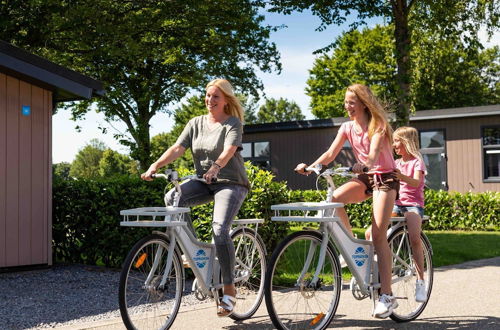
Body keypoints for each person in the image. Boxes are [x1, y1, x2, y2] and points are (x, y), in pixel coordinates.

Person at [141, 78, 249, 317]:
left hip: (230, 183)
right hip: (204, 182)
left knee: (220, 229)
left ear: (226, 101)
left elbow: (229, 150)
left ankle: (229, 291)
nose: (210, 100)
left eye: (216, 97)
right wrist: (155, 165)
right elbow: (178, 148)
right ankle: (194, 251)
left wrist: (216, 167)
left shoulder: (233, 124)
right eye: (208, 95)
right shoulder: (195, 123)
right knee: (172, 198)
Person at [295, 83, 400, 318]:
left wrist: (366, 163)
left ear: (363, 103)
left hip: (384, 178)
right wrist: (312, 167)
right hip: (364, 176)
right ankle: (353, 247)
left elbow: (373, 154)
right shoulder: (346, 127)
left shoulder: (378, 125)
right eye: (345, 102)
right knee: (336, 197)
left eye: (352, 102)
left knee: (378, 233)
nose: (347, 106)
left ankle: (387, 296)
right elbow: (330, 154)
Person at [366, 126, 428, 302]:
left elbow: (416, 183)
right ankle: (379, 270)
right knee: (372, 231)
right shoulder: (396, 162)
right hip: (396, 204)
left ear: (407, 142)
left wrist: (401, 176)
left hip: (413, 205)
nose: (393, 145)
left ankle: (420, 281)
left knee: (414, 237)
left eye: (396, 141)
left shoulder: (417, 162)